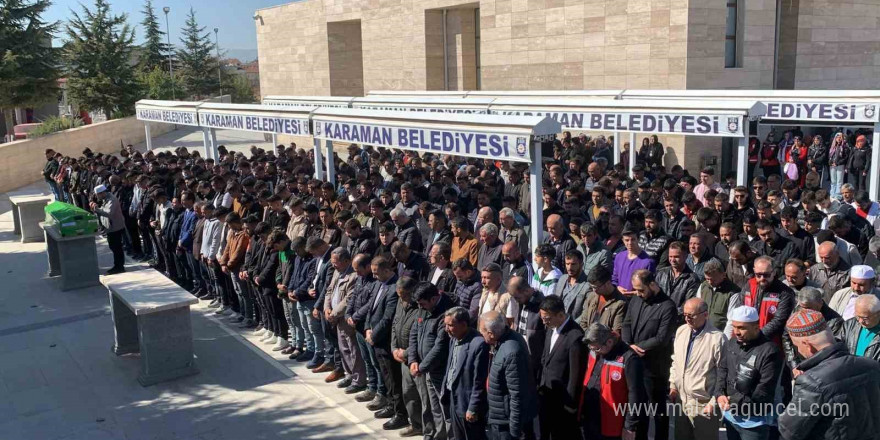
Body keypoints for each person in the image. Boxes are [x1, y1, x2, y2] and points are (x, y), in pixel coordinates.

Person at [779, 308, 880, 440]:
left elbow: (789, 431)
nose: (797, 350)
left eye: (796, 346)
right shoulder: (872, 366)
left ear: (807, 345)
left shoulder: (812, 382)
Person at [715, 306, 784, 440]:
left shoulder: (770, 351)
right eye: (734, 327)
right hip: (731, 417)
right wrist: (719, 394)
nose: (737, 332)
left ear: (756, 327)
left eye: (741, 328)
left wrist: (732, 401)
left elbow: (764, 389)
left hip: (754, 422)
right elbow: (723, 369)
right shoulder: (731, 343)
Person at [622, 269, 676, 440]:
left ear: (652, 285)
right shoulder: (636, 300)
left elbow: (661, 338)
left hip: (654, 368)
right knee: (639, 410)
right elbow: (627, 324)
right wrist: (629, 345)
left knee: (658, 412)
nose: (638, 294)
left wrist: (635, 347)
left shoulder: (668, 306)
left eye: (641, 290)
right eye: (636, 290)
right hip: (634, 363)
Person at [580, 323, 647, 440]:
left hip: (611, 422)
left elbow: (636, 395)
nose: (595, 352)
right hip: (589, 415)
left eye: (597, 349)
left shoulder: (629, 359)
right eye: (591, 349)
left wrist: (630, 427)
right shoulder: (595, 349)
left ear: (609, 342)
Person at [669, 298, 723, 440]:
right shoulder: (681, 331)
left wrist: (713, 403)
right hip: (682, 401)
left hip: (704, 404)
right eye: (684, 315)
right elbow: (676, 361)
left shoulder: (717, 339)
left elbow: (722, 375)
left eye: (691, 315)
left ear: (705, 315)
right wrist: (673, 386)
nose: (687, 319)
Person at [482, 310, 537, 440]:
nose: (480, 334)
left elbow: (517, 394)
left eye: (482, 331)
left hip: (506, 425)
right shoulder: (505, 340)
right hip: (500, 417)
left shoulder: (511, 352)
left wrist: (515, 430)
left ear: (490, 334)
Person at [536, 295, 585, 440]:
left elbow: (575, 375)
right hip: (546, 392)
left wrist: (570, 404)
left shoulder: (575, 336)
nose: (544, 322)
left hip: (562, 401)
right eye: (542, 318)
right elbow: (545, 358)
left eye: (547, 318)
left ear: (561, 315)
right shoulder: (551, 327)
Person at [409, 282, 454, 439]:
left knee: (445, 409)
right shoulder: (423, 310)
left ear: (434, 299)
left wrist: (421, 367)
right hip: (426, 368)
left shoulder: (446, 315)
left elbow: (440, 347)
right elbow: (414, 334)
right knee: (434, 408)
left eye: (423, 304)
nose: (420, 307)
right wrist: (413, 359)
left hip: (441, 370)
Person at [440, 307, 490, 440]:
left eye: (450, 325)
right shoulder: (454, 338)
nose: (447, 329)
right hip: (453, 398)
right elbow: (451, 367)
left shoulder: (478, 344)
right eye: (446, 325)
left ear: (463, 325)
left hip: (467, 404)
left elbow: (479, 381)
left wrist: (473, 407)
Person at [390, 277, 424, 437]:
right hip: (402, 357)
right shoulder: (400, 302)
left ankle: (428, 427)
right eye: (399, 295)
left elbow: (422, 338)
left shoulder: (420, 307)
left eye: (403, 295)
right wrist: (394, 348)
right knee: (408, 393)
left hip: (416, 359)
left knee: (422, 395)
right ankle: (416, 424)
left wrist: (406, 353)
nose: (401, 298)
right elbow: (395, 324)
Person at [743, 256, 795, 342]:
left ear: (774, 272)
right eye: (758, 275)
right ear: (754, 270)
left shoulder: (784, 293)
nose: (762, 278)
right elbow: (740, 309)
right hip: (748, 336)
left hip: (771, 341)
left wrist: (757, 336)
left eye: (766, 275)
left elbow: (779, 321)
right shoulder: (749, 285)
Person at [508, 276, 546, 379]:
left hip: (534, 361)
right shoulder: (520, 301)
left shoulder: (542, 306)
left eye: (517, 297)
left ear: (526, 291)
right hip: (519, 355)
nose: (516, 300)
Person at [656, 241, 701, 319]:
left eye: (676, 257)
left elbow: (688, 304)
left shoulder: (692, 279)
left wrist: (668, 314)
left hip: (677, 320)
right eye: (670, 256)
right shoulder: (661, 273)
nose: (672, 260)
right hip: (658, 317)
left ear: (686, 256)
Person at [697, 259, 741, 337]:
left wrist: (725, 340)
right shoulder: (703, 286)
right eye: (707, 279)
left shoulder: (733, 293)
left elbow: (731, 321)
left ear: (723, 275)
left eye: (713, 279)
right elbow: (697, 309)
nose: (710, 282)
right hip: (702, 334)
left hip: (720, 335)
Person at [578, 265, 628, 334]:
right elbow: (583, 321)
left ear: (607, 283)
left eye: (596, 287)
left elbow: (616, 332)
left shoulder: (620, 303)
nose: (593, 290)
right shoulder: (592, 296)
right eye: (591, 287)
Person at [90, 184, 126, 274]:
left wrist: (97, 209)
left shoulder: (112, 200)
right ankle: (117, 265)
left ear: (102, 193)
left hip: (116, 227)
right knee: (113, 247)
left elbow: (109, 213)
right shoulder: (105, 199)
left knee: (117, 247)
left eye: (97, 194)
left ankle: (119, 266)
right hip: (110, 227)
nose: (97, 196)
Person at [612, 227, 656, 297]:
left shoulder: (648, 262)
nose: (630, 243)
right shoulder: (619, 257)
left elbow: (650, 288)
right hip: (619, 298)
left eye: (633, 239)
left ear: (638, 239)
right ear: (623, 240)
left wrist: (635, 293)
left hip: (638, 300)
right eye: (627, 240)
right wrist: (617, 287)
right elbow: (614, 279)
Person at [838, 294, 880, 361]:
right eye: (858, 316)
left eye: (865, 318)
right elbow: (838, 347)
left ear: (878, 313)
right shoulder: (849, 325)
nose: (860, 321)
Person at [552, 250, 589, 319]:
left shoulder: (587, 285)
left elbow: (586, 313)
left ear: (581, 264)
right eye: (567, 264)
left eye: (573, 264)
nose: (569, 268)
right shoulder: (562, 279)